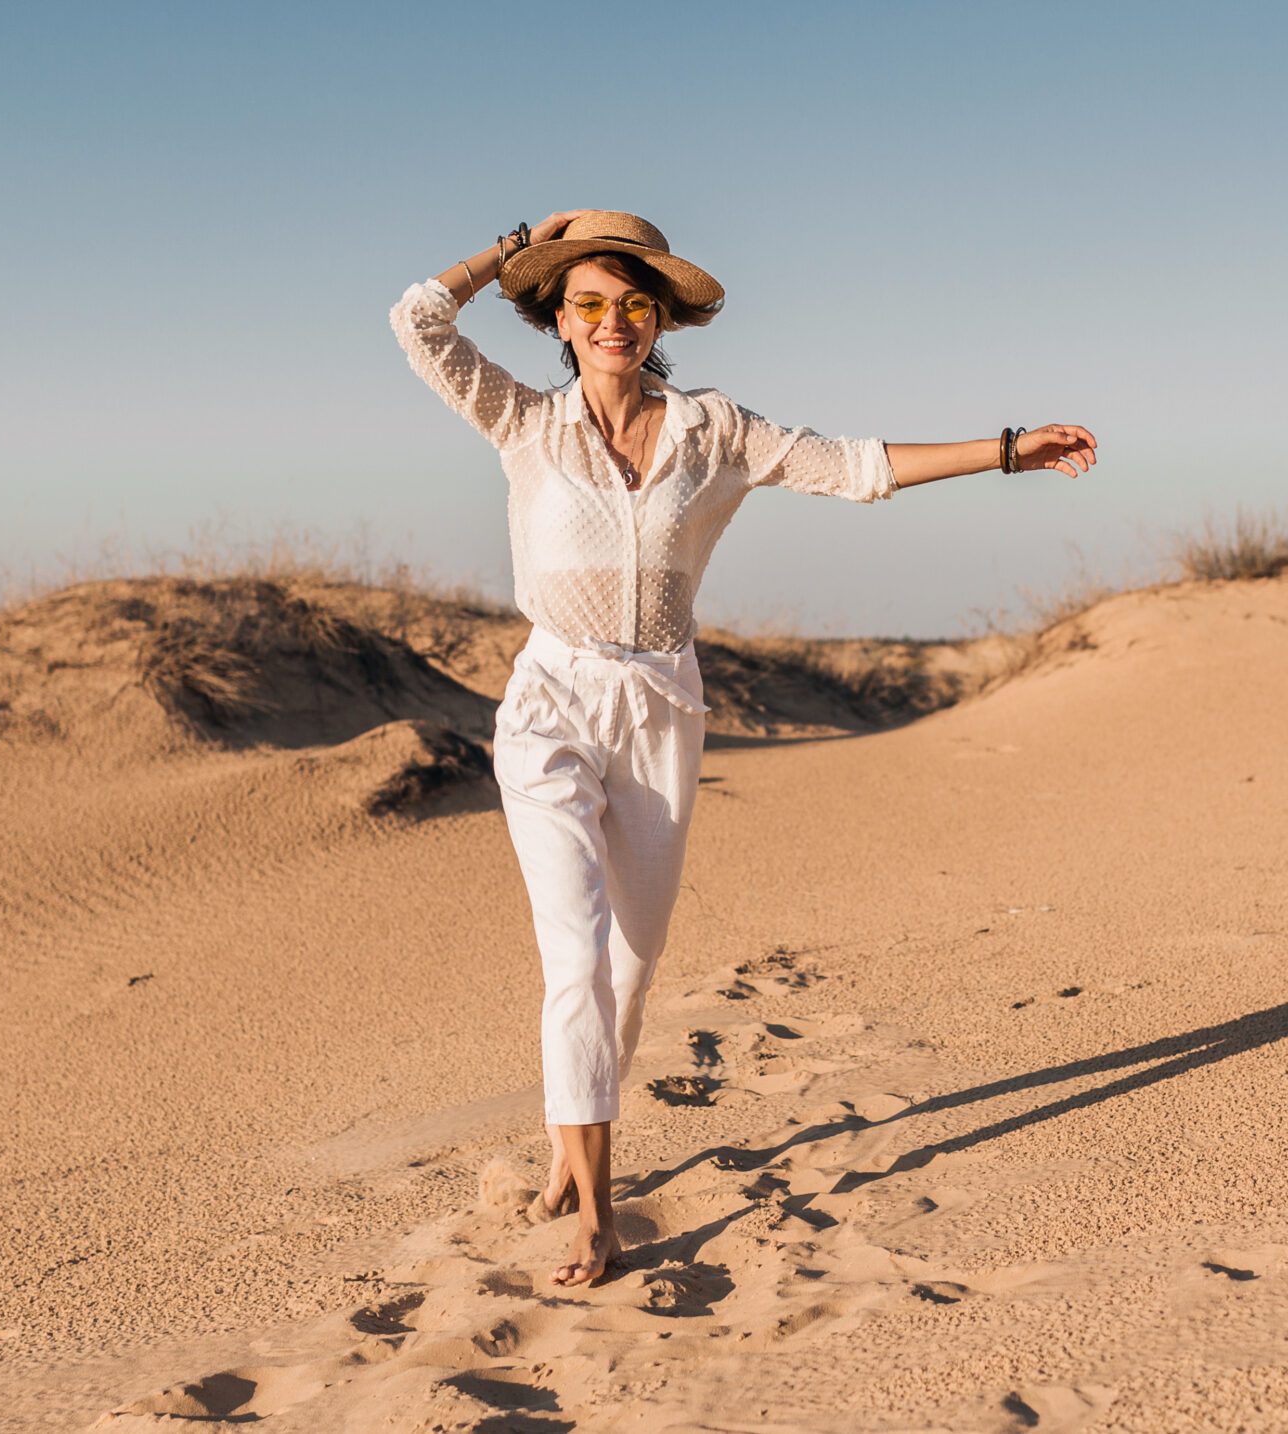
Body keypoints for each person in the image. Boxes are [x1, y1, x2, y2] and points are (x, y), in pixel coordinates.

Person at [389, 210, 1099, 1287]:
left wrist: (1006, 450)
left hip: (660, 707)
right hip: (551, 703)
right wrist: (517, 243)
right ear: (559, 321)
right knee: (574, 955)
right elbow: (419, 321)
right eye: (588, 302)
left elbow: (854, 467)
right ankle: (596, 1212)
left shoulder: (713, 431)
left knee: (630, 970)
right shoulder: (523, 422)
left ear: (660, 318)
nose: (613, 320)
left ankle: (568, 1147)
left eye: (634, 302)